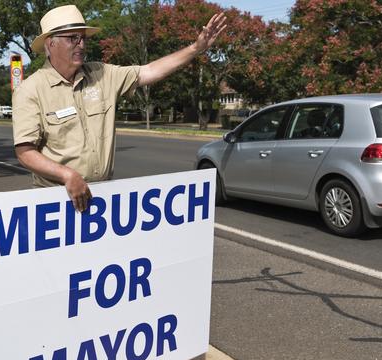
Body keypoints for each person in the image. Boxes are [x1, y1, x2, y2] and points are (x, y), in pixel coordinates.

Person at [13, 5, 227, 212]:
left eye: (83, 38)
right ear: (50, 44)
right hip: (54, 201)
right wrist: (67, 175)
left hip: (101, 198)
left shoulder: (102, 74)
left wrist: (196, 48)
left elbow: (149, 71)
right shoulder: (30, 89)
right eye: (72, 38)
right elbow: (25, 152)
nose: (81, 45)